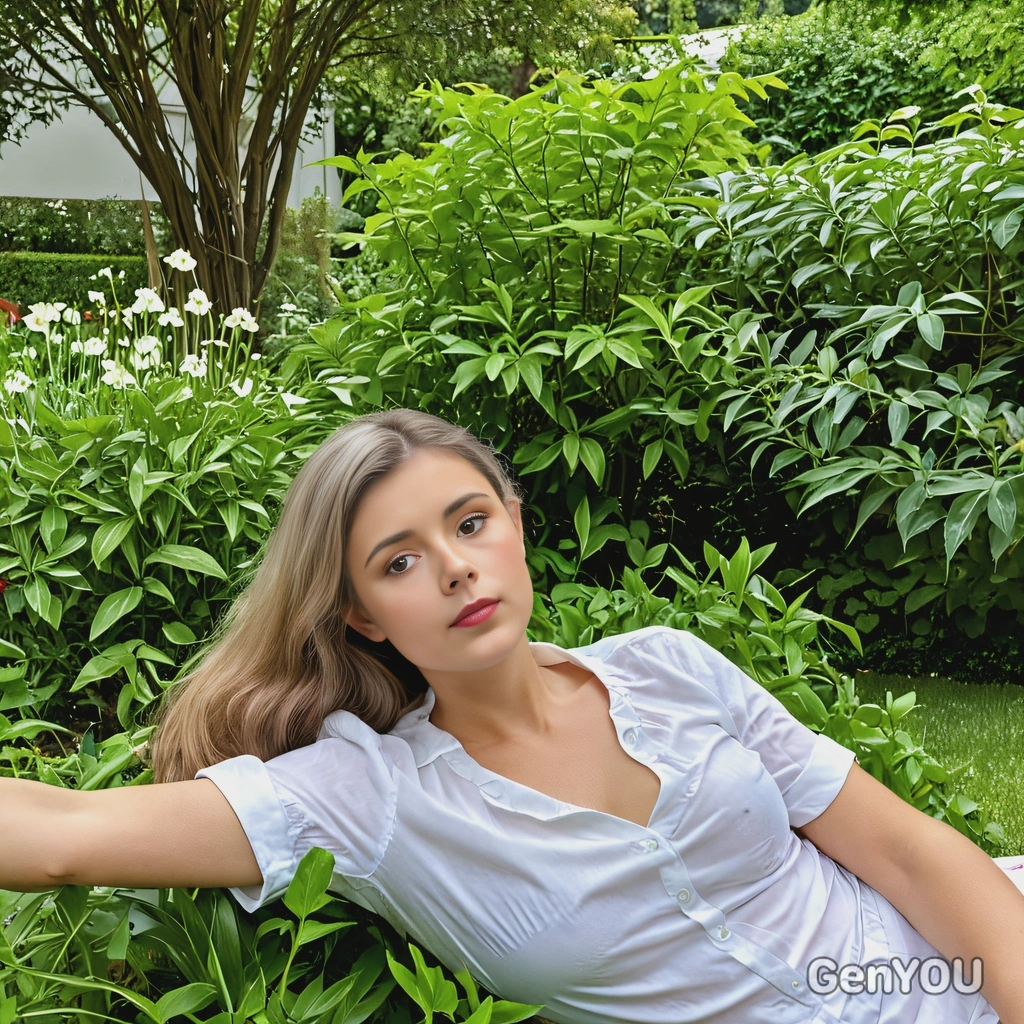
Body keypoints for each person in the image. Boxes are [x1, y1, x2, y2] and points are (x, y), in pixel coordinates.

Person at [2, 407, 1023, 1024]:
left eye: (469, 522)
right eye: (398, 560)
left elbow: (908, 854)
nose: (453, 565)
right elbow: (60, 837)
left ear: (515, 527)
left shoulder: (667, 667)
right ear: (359, 611)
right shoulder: (370, 796)